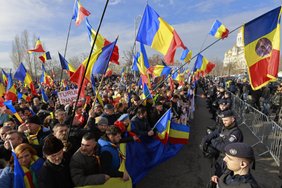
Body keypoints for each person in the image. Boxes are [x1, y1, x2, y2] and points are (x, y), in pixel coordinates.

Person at [201, 110, 243, 176]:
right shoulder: (224, 127)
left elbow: (224, 148)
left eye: (226, 120)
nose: (224, 122)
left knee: (220, 179)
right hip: (220, 158)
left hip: (229, 162)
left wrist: (212, 141)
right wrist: (206, 139)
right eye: (223, 120)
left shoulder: (236, 133)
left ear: (233, 119)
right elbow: (215, 133)